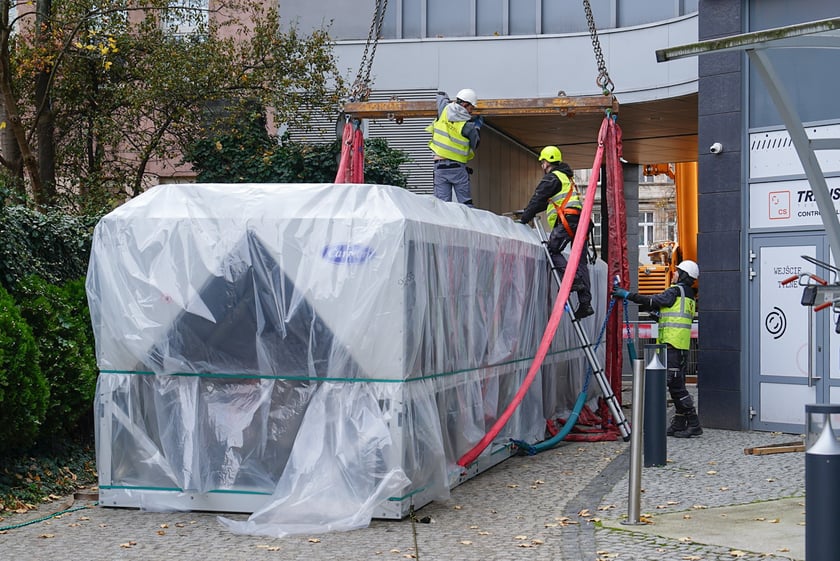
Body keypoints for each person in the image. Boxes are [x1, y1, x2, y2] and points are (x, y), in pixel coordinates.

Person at [613, 260, 702, 438]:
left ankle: (694, 423)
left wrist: (627, 295)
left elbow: (652, 300)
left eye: (677, 272)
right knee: (677, 383)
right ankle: (679, 422)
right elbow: (674, 315)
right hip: (680, 345)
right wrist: (659, 316)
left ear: (684, 275)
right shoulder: (689, 295)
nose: (674, 274)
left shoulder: (675, 291)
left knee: (675, 385)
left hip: (672, 344)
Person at [519, 146, 594, 319]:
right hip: (580, 222)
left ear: (546, 162)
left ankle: (573, 280)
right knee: (580, 261)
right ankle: (585, 303)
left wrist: (524, 218)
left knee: (551, 250)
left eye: (542, 162)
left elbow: (538, 199)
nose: (542, 166)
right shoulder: (567, 178)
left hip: (568, 221)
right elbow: (547, 202)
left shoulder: (552, 178)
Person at [428, 88, 482, 206]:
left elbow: (440, 96)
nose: (471, 112)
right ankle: (469, 224)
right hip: (457, 168)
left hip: (440, 167)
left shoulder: (444, 111)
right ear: (465, 104)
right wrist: (477, 127)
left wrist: (444, 96)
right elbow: (476, 143)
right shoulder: (468, 125)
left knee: (442, 206)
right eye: (471, 108)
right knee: (465, 204)